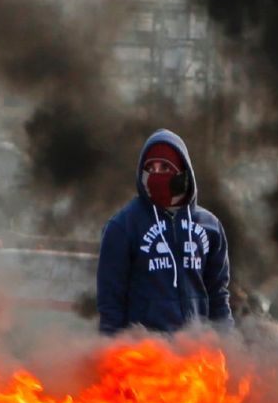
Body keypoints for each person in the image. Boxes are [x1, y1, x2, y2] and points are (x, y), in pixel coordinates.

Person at [96, 128, 231, 334]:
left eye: (165, 167)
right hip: (145, 355)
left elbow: (218, 295)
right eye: (151, 168)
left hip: (198, 353)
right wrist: (111, 351)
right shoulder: (123, 226)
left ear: (182, 171)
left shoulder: (209, 226)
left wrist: (228, 344)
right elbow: (110, 301)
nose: (156, 174)